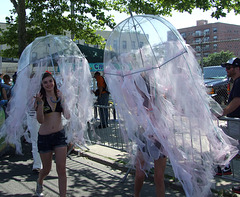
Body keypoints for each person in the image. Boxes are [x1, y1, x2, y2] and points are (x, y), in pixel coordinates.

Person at [34, 71, 70, 197]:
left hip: (59, 136)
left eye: (50, 81)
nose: (48, 84)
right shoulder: (40, 98)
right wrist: (39, 103)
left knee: (61, 169)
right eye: (45, 82)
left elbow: (68, 115)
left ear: (54, 82)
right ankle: (40, 180)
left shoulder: (60, 95)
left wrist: (64, 100)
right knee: (47, 169)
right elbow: (40, 120)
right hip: (45, 138)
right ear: (42, 85)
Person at [221, 57, 240, 194]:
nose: (227, 70)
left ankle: (225, 166)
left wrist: (223, 112)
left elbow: (237, 101)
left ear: (237, 68)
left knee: (217, 133)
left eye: (229, 67)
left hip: (236, 123)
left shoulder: (239, 82)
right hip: (235, 123)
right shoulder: (235, 82)